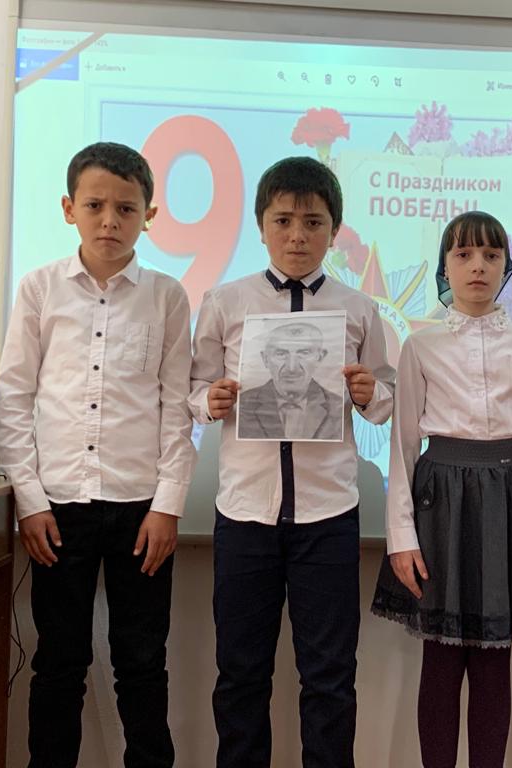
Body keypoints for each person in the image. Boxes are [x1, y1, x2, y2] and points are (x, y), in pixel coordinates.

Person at [189, 156, 395, 768]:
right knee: (240, 675)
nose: (297, 235)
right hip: (244, 514)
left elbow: (387, 397)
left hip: (328, 517)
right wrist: (209, 400)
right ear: (261, 226)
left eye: (313, 222)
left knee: (330, 679)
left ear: (334, 230)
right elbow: (194, 387)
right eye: (283, 220)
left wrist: (370, 394)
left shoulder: (361, 308)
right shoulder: (225, 301)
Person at [0, 141, 195, 768]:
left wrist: (168, 506)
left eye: (126, 209)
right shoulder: (39, 289)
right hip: (59, 508)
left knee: (143, 663)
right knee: (59, 662)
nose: (110, 221)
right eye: (95, 206)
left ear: (148, 216)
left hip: (142, 511)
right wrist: (29, 501)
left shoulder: (167, 296)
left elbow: (176, 409)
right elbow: (13, 397)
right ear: (69, 209)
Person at [371, 211, 512, 768]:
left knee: (494, 663)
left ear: (506, 268)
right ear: (444, 267)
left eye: (491, 256)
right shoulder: (420, 344)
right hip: (439, 504)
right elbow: (403, 447)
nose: (478, 266)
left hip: (506, 503)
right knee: (440, 660)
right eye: (463, 255)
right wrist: (401, 537)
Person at [238, 320, 342, 440]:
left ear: (320, 357)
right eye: (281, 353)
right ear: (265, 359)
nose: (292, 368)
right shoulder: (243, 405)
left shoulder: (337, 406)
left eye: (304, 353)